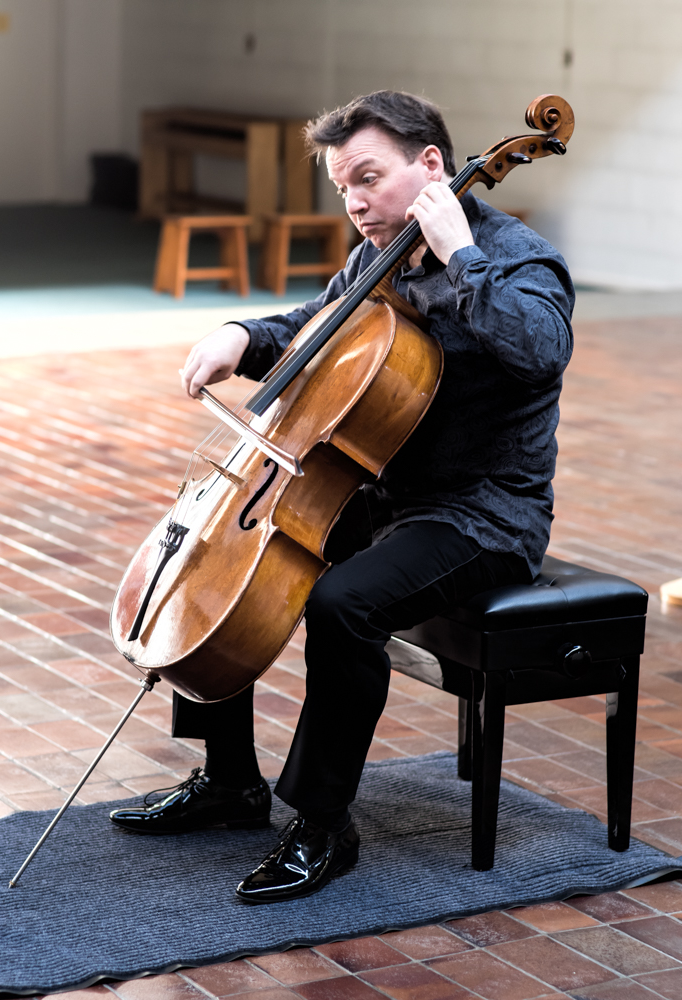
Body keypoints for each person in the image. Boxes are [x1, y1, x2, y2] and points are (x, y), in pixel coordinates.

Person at [109, 90, 574, 903]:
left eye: (370, 177)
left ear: (431, 166)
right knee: (235, 560)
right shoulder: (377, 257)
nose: (357, 202)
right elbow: (317, 323)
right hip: (385, 490)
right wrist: (243, 337)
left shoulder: (518, 257)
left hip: (482, 514)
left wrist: (462, 255)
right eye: (344, 187)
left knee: (342, 605)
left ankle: (324, 824)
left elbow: (541, 351)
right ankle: (229, 783)